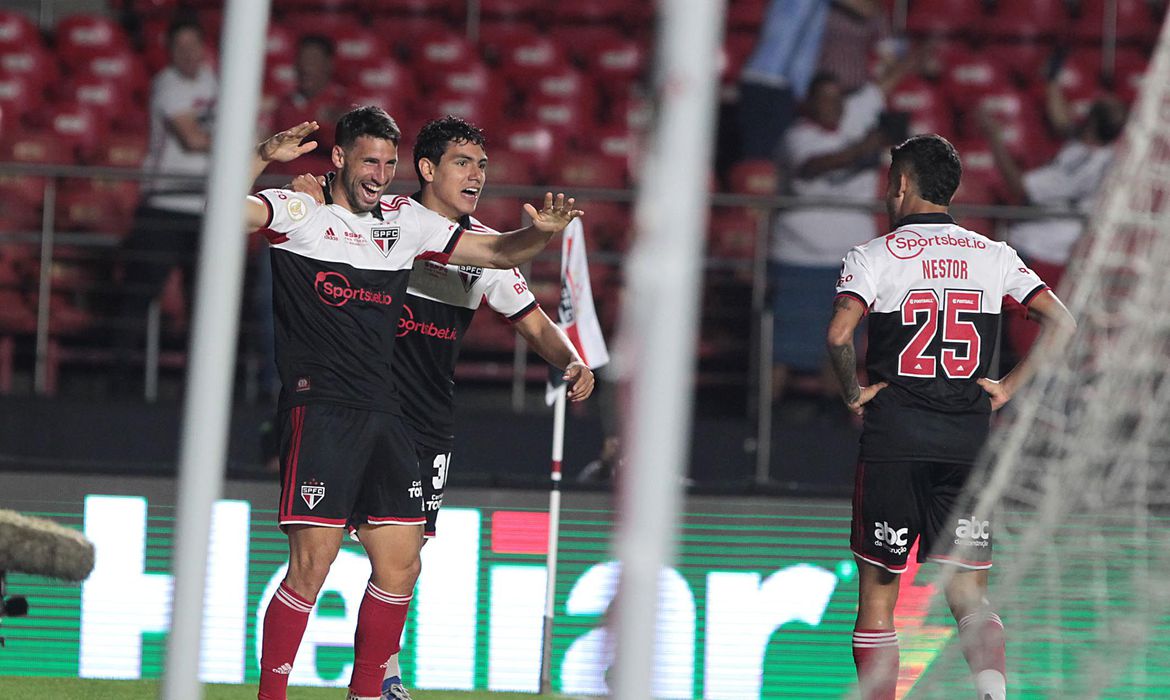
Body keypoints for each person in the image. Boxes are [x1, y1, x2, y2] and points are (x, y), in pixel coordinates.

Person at [244, 108, 582, 700]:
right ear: (343, 159)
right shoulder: (310, 210)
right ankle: (272, 694)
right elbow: (225, 212)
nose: (380, 172)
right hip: (321, 407)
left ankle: (370, 690)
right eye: (370, 159)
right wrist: (265, 160)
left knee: (403, 562)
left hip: (396, 416)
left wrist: (542, 236)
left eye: (388, 162)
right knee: (313, 564)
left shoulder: (412, 229)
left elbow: (504, 257)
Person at [826, 135, 1076, 700]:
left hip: (895, 439)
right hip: (966, 439)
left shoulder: (874, 256)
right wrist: (1007, 388)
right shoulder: (993, 254)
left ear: (903, 186)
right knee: (968, 593)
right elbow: (1063, 324)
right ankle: (993, 693)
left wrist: (852, 393)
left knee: (879, 594)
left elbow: (840, 335)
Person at [768, 66, 908, 405]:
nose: (833, 106)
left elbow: (882, 83)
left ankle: (833, 424)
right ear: (809, 104)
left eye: (837, 99)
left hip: (851, 262)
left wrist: (919, 53)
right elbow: (813, 166)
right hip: (798, 261)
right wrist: (867, 145)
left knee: (841, 345)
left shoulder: (857, 120)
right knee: (783, 348)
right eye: (824, 99)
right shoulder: (797, 135)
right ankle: (762, 417)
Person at [978, 71, 1122, 360]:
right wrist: (1053, 81)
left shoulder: (1085, 161)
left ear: (1091, 122)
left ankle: (1022, 397)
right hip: (1048, 254)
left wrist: (993, 138)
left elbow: (1021, 189)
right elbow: (1063, 122)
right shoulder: (1095, 151)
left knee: (1026, 339)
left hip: (1039, 255)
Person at [113, 16, 215, 389]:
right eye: (181, 48)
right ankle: (118, 385)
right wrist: (243, 137)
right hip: (164, 205)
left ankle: (202, 387)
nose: (189, 55)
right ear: (170, 52)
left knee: (204, 301)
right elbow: (191, 138)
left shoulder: (215, 83)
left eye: (194, 46)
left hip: (207, 208)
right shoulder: (167, 85)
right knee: (138, 297)